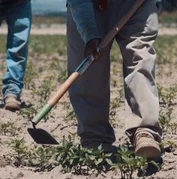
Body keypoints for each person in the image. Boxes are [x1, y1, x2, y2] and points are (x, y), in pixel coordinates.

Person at [66, 0, 162, 159]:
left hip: (137, 4)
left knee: (141, 58)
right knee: (89, 65)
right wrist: (89, 33)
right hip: (89, 4)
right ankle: (94, 136)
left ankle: (145, 131)